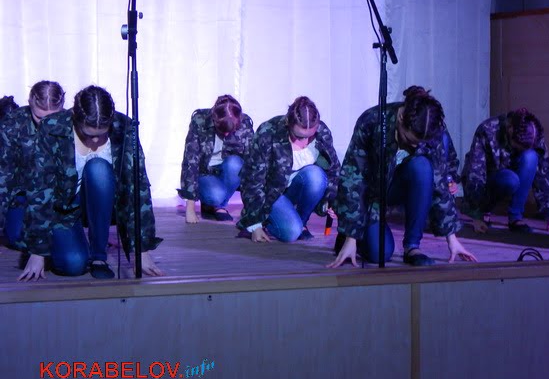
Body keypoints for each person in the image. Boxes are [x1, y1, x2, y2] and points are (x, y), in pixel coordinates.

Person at [17, 85, 163, 281]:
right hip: (63, 210)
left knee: (98, 168)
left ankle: (99, 256)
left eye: (101, 135)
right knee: (74, 264)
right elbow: (40, 189)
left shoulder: (124, 128)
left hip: (103, 207)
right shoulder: (51, 127)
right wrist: (38, 251)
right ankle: (69, 243)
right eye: (88, 135)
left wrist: (141, 249)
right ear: (75, 119)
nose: (95, 141)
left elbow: (137, 187)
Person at [328, 86, 477, 268]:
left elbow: (439, 183)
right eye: (410, 140)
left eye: (419, 143)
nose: (414, 146)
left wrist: (452, 239)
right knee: (379, 253)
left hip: (399, 188)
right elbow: (353, 179)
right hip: (372, 196)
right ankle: (352, 237)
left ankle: (412, 247)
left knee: (422, 166)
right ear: (400, 119)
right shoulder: (372, 121)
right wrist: (351, 236)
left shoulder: (433, 129)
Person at [237, 96, 339, 242]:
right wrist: (255, 225)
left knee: (316, 176)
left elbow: (333, 170)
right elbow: (252, 179)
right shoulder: (268, 132)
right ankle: (266, 220)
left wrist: (330, 201)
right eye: (298, 136)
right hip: (270, 195)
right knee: (291, 232)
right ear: (288, 124)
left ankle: (301, 221)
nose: (304, 141)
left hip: (295, 188)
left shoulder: (322, 132)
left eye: (310, 137)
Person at [461, 108, 549, 233]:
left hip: (513, 173)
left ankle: (515, 217)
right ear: (510, 129)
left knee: (531, 157)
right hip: (492, 178)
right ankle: (484, 210)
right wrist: (476, 215)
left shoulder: (533, 133)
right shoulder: (487, 130)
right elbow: (475, 173)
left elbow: (544, 172)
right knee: (510, 180)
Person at [0, 81, 66, 249]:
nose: (46, 124)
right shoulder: (12, 124)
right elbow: (3, 178)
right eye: (40, 118)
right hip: (24, 196)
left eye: (52, 118)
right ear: (30, 103)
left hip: (60, 199)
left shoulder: (71, 124)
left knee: (67, 252)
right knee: (19, 238)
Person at [178, 95, 254, 223]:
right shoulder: (200, 121)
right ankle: (212, 202)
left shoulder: (244, 123)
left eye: (231, 130)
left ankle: (220, 206)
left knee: (236, 164)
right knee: (216, 195)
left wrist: (251, 210)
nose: (226, 134)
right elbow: (190, 161)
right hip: (205, 173)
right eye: (222, 129)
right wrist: (190, 209)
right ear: (215, 118)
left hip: (228, 173)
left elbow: (252, 163)